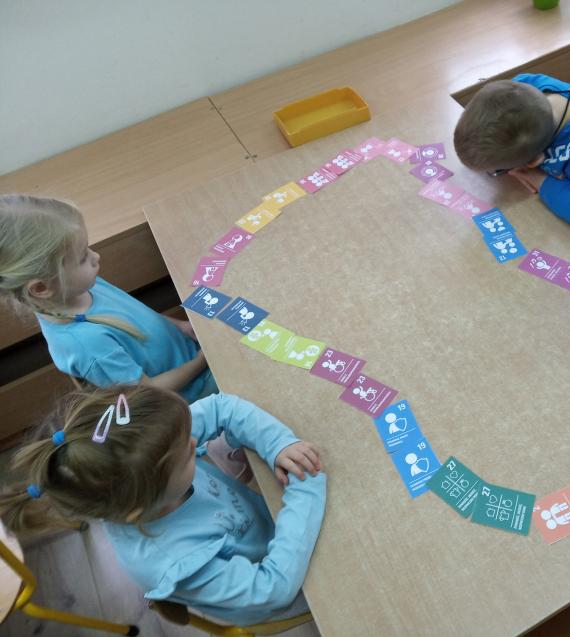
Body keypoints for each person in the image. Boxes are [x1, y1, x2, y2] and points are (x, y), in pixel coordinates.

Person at [0, 385, 326, 624]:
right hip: (295, 584)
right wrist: (305, 490)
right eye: (186, 456)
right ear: (140, 508)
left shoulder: (146, 462)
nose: (195, 442)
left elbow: (220, 407)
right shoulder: (175, 562)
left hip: (275, 529)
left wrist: (278, 444)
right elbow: (274, 589)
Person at [0, 194, 212, 398]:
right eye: (82, 257)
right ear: (40, 288)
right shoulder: (88, 345)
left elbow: (136, 317)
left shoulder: (76, 288)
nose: (96, 256)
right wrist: (202, 360)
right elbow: (149, 392)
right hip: (194, 394)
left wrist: (180, 326)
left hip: (194, 356)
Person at [453, 74, 570, 244]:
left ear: (533, 162)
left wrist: (538, 178)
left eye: (498, 170)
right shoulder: (520, 91)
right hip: (564, 198)